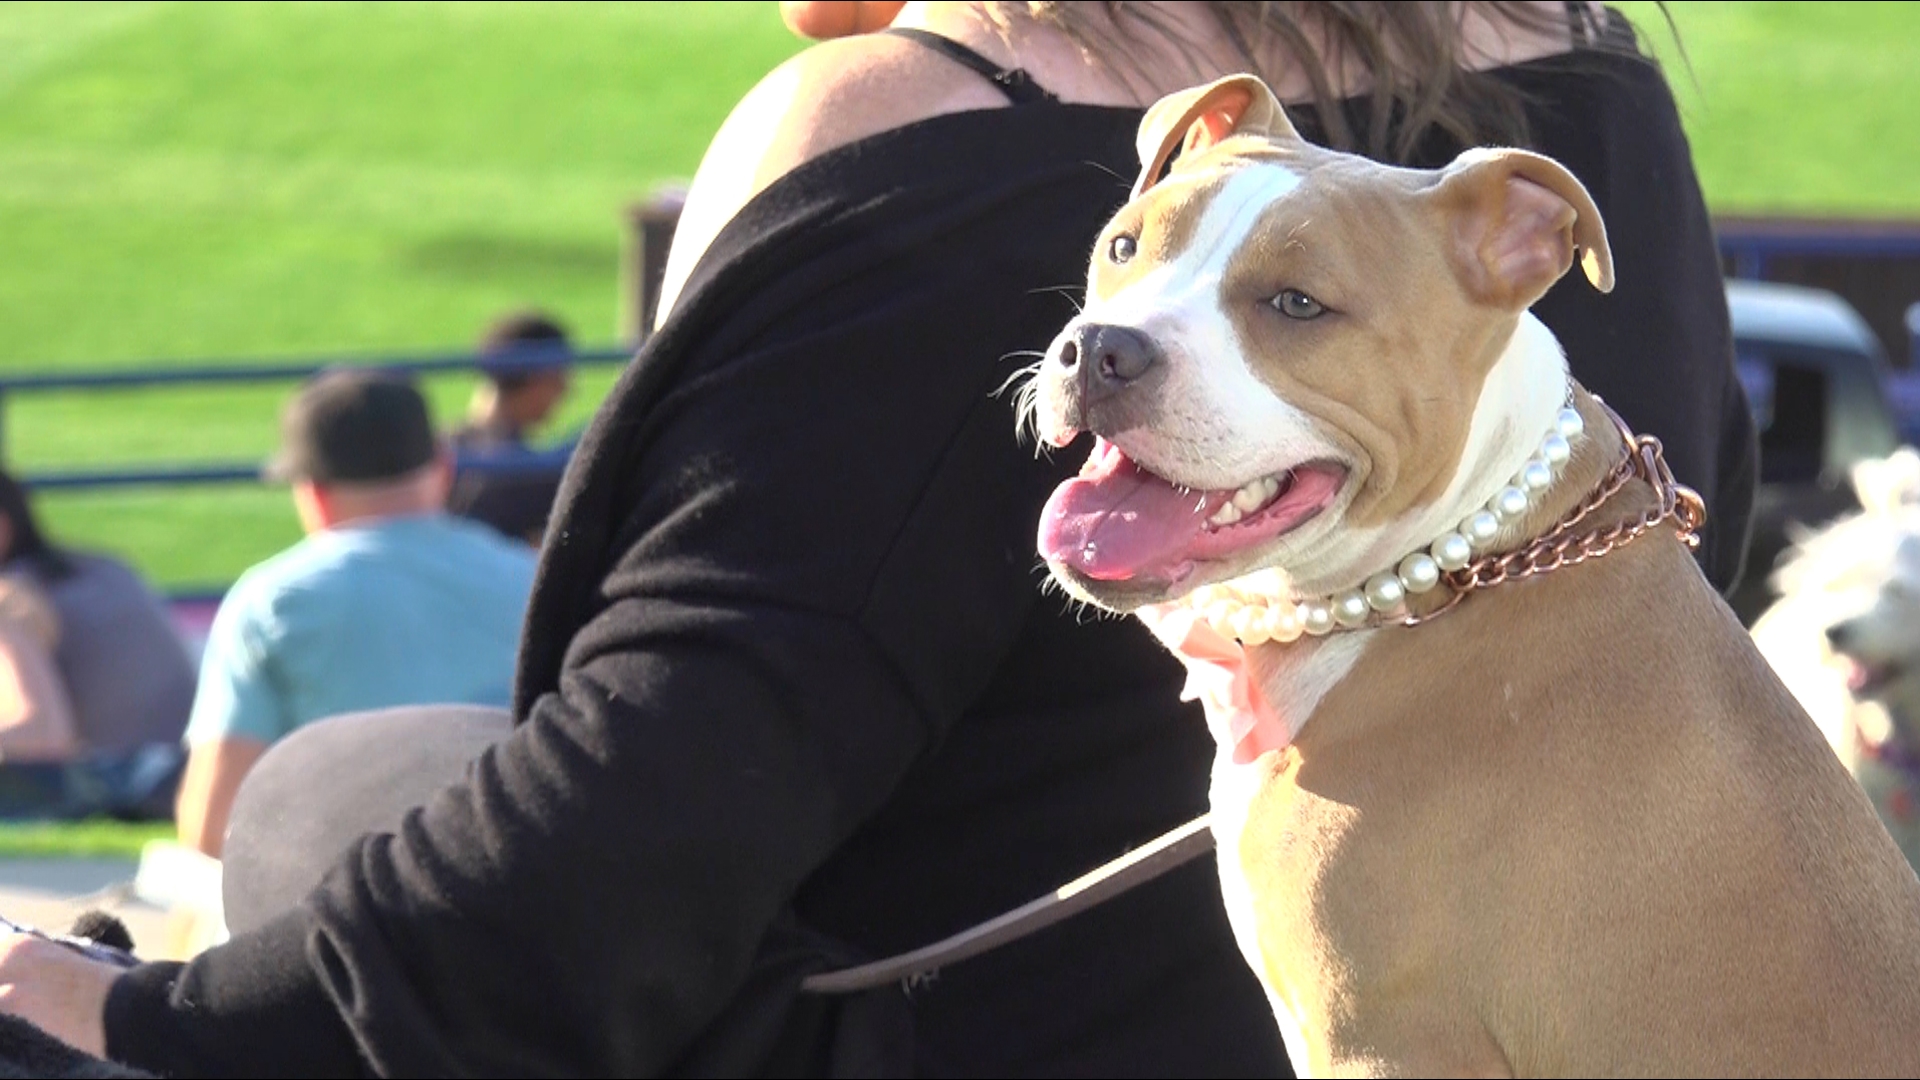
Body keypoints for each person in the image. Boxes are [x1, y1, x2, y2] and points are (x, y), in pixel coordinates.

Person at [0, 4, 1754, 1076]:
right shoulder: (1597, 102)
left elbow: (620, 873)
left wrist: (148, 1023)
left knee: (329, 792)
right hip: (1437, 1022)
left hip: (951, 1037)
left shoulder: (912, 124)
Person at [170, 369, 537, 859]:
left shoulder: (272, 601)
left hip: (342, 901)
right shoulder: (532, 578)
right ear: (444, 469)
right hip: (516, 876)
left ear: (312, 492)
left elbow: (212, 825)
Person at [0, 469, 195, 819]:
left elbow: (41, 737)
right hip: (194, 768)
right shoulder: (106, 569)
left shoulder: (11, 599)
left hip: (129, 789)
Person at [445, 310, 576, 545]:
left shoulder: (436, 451)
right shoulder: (527, 474)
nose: (566, 390)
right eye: (558, 377)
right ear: (534, 377)